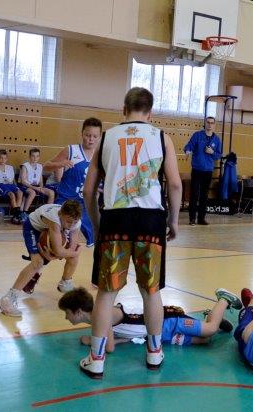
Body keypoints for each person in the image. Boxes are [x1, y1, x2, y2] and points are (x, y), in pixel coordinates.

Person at [79, 87, 182, 378]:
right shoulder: (161, 137)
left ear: (123, 109)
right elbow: (175, 185)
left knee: (106, 293)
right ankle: (154, 353)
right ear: (150, 113)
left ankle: (96, 359)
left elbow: (88, 190)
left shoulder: (107, 138)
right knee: (151, 291)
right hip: (151, 221)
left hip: (115, 220)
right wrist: (173, 221)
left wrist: (97, 223)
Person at [59, 287, 242, 350]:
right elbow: (119, 338)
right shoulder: (98, 321)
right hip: (158, 335)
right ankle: (212, 316)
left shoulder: (104, 315)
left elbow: (110, 347)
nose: (66, 317)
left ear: (78, 311)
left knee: (210, 329)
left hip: (168, 319)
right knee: (205, 340)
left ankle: (223, 299)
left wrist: (92, 340)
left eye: (67, 312)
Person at [0, 201, 83, 317]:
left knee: (73, 256)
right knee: (37, 262)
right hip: (33, 227)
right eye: (68, 222)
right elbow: (58, 251)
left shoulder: (76, 223)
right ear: (60, 214)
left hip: (50, 230)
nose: (71, 225)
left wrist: (62, 254)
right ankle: (7, 300)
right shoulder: (54, 219)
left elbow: (71, 249)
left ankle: (65, 282)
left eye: (74, 222)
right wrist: (67, 253)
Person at [44, 118, 102, 247]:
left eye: (94, 136)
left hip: (85, 204)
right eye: (88, 135)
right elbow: (46, 166)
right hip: (66, 201)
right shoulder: (71, 150)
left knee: (97, 240)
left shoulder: (100, 155)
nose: (91, 139)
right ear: (82, 134)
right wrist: (60, 164)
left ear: (99, 137)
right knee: (57, 240)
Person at [184, 117, 222, 226]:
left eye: (212, 123)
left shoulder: (217, 139)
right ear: (205, 123)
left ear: (214, 125)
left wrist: (212, 152)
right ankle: (192, 219)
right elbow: (189, 145)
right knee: (194, 194)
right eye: (208, 122)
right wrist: (187, 150)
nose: (210, 125)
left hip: (208, 171)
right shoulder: (197, 135)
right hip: (197, 170)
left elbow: (218, 155)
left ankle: (201, 218)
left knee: (204, 196)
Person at [0, 149, 24, 224]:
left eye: (4, 158)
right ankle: (17, 215)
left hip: (10, 184)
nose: (2, 160)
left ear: (7, 159)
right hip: (0, 185)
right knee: (12, 194)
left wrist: (15, 187)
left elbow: (13, 181)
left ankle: (16, 215)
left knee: (20, 192)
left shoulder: (10, 168)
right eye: (1, 158)